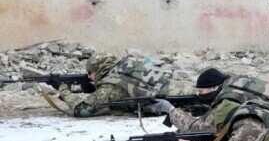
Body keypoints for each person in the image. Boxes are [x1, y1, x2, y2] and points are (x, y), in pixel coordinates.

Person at [45, 53, 173, 117]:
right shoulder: (123, 68)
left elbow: (82, 110)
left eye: (91, 73)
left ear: (100, 68)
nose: (89, 76)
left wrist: (63, 90)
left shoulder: (110, 85)